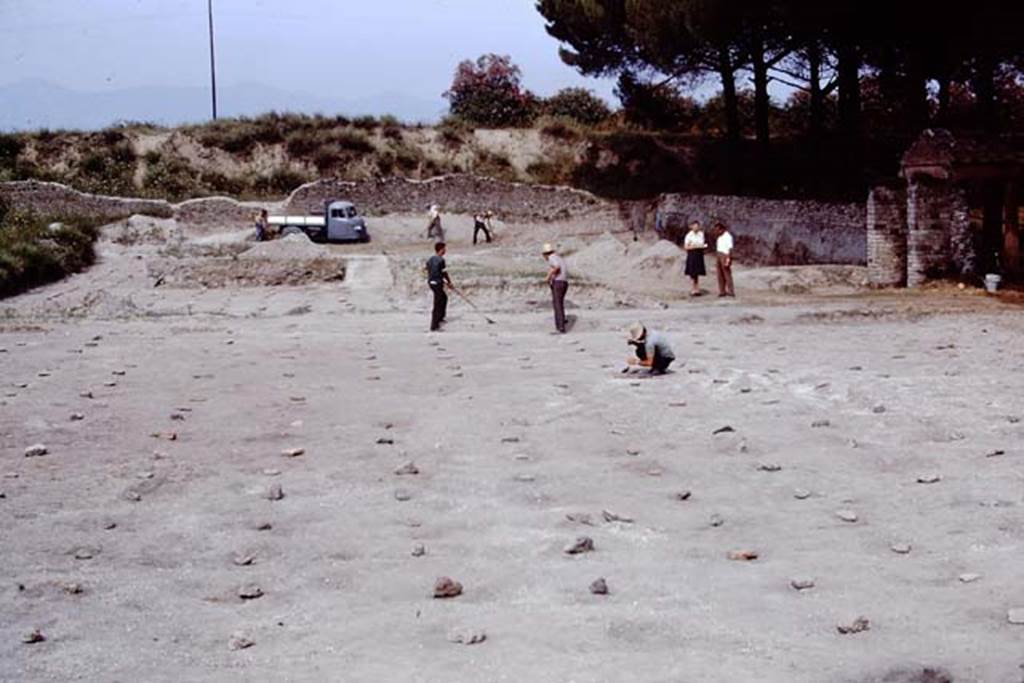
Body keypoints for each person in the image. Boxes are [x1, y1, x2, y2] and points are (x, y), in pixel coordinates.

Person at [425, 242, 453, 331]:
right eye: (444, 249)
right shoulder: (441, 260)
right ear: (441, 250)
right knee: (438, 303)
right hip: (437, 283)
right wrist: (449, 282)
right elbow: (444, 272)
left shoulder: (430, 259)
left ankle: (440, 318)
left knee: (444, 298)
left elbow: (428, 269)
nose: (445, 250)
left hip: (431, 282)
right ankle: (434, 326)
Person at [543, 243, 568, 334]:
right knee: (560, 303)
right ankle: (562, 321)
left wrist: (548, 277)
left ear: (545, 254)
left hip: (558, 282)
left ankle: (560, 327)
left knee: (557, 304)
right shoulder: (559, 257)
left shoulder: (552, 258)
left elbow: (557, 267)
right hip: (564, 282)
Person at [683, 220, 707, 296]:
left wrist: (700, 246)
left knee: (697, 272)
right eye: (694, 226)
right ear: (691, 226)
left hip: (699, 253)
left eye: (697, 226)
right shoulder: (689, 235)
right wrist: (693, 246)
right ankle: (693, 288)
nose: (696, 227)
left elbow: (702, 244)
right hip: (692, 254)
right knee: (692, 272)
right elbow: (686, 246)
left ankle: (697, 288)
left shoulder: (701, 234)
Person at [714, 221, 735, 297]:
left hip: (725, 255)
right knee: (720, 274)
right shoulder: (719, 237)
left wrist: (728, 259)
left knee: (727, 274)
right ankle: (722, 291)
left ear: (722, 229)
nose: (717, 232)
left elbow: (730, 249)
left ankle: (731, 291)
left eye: (718, 230)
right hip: (719, 254)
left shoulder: (728, 237)